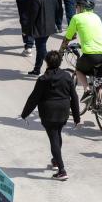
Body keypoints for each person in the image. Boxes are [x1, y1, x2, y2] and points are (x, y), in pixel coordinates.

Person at [21, 51, 81, 181]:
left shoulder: (43, 79)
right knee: (57, 134)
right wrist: (76, 117)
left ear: (46, 62)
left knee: (54, 138)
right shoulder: (67, 76)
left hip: (49, 113)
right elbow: (74, 97)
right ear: (60, 62)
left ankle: (62, 170)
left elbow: (34, 98)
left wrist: (25, 113)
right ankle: (55, 160)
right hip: (64, 111)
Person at [59, 0, 102, 96]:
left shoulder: (76, 18)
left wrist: (60, 52)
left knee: (79, 70)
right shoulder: (96, 17)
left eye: (76, 7)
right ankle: (98, 105)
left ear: (81, 7)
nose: (76, 9)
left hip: (91, 55)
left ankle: (86, 90)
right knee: (97, 81)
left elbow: (68, 37)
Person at [28, 0, 59, 75]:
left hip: (40, 28)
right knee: (40, 47)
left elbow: (33, 16)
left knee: (42, 50)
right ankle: (37, 69)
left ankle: (53, 68)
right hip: (49, 27)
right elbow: (57, 7)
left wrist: (27, 30)